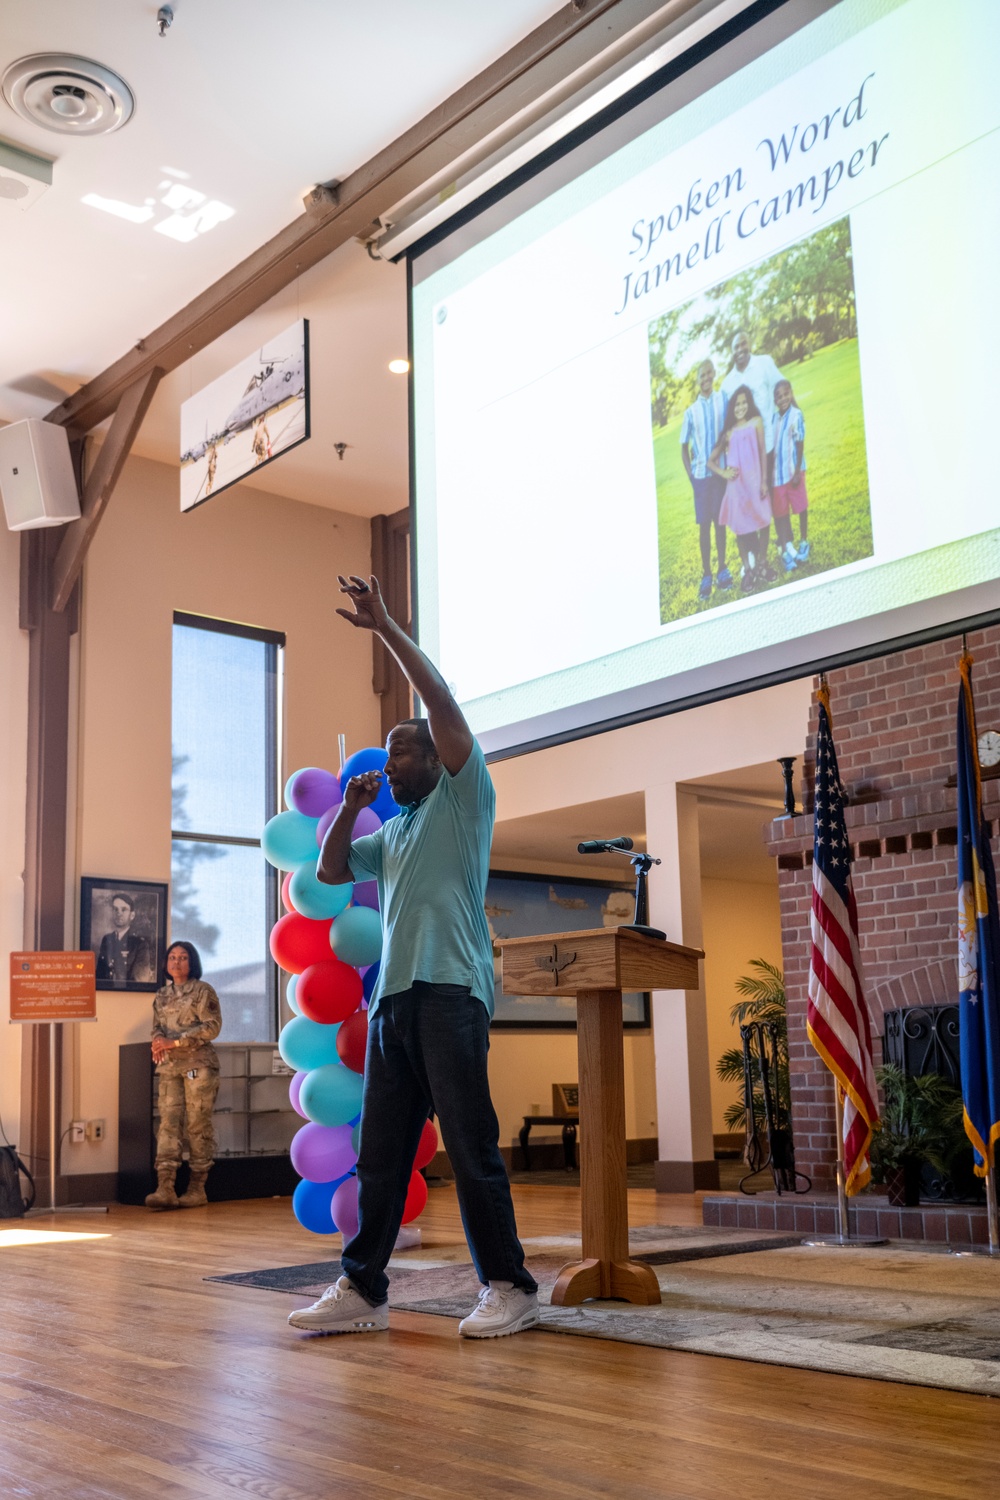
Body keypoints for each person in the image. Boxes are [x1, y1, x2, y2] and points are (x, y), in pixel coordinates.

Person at [288, 574, 539, 1340]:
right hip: (394, 1002)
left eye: (403, 753)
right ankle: (363, 1290)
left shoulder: (467, 798)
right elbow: (330, 873)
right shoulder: (390, 835)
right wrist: (350, 809)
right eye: (389, 756)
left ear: (440, 757)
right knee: (381, 1159)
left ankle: (511, 1285)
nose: (390, 764)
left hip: (451, 992)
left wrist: (387, 628)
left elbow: (440, 702)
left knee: (469, 1146)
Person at [144, 941, 222, 1210]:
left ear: (193, 962)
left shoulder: (203, 991)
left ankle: (196, 1189)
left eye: (183, 957)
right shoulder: (162, 995)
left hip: (196, 1067)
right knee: (168, 1124)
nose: (177, 962)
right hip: (169, 1068)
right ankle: (165, 1187)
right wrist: (157, 1041)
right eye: (172, 957)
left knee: (197, 1125)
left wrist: (175, 1043)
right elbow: (157, 1027)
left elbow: (212, 1027)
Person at [708, 386, 774, 593]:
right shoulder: (728, 433)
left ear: (749, 403)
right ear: (732, 408)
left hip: (755, 483)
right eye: (737, 404)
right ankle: (748, 569)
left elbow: (763, 451)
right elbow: (710, 461)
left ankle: (762, 562)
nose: (741, 407)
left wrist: (764, 481)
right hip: (737, 488)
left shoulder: (756, 422)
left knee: (764, 520)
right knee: (741, 528)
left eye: (744, 402)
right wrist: (724, 472)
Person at [679, 359, 732, 601]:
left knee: (720, 524)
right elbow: (683, 447)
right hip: (701, 478)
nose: (706, 378)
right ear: (697, 379)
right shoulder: (691, 412)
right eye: (702, 375)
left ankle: (722, 569)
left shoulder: (724, 399)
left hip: (719, 473)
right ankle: (707, 575)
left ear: (714, 375)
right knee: (704, 527)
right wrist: (691, 476)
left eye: (709, 373)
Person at [771, 378, 809, 567]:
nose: (783, 398)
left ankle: (803, 541)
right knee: (780, 513)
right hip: (777, 476)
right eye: (779, 396)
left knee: (800, 507)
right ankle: (786, 549)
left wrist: (796, 471)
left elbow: (800, 443)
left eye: (786, 394)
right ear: (775, 401)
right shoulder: (773, 418)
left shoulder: (796, 415)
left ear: (791, 394)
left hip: (794, 472)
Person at [96, 892, 153, 987]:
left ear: (132, 915)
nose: (119, 913)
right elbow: (99, 976)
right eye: (115, 909)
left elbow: (139, 981)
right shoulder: (107, 939)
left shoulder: (140, 944)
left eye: (124, 910)